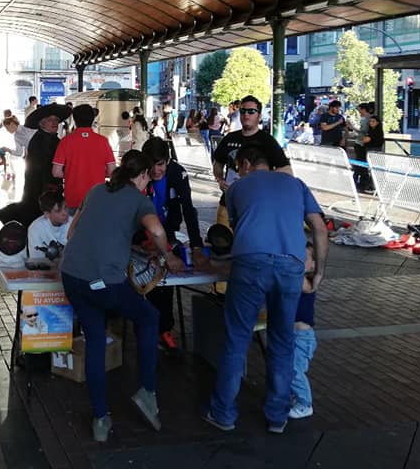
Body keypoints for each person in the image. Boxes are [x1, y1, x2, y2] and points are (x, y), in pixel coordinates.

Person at [59, 150, 186, 442]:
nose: (147, 184)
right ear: (141, 175)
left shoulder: (96, 190)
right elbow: (156, 230)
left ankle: (101, 418)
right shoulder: (139, 199)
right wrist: (168, 256)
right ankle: (147, 392)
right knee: (149, 317)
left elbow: (71, 233)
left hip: (72, 276)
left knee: (95, 341)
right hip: (103, 282)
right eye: (147, 179)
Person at [205, 145, 328, 435]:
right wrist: (319, 272)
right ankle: (277, 416)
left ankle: (223, 413)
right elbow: (320, 228)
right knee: (282, 341)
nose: (238, 173)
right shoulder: (297, 185)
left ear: (246, 164)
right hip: (291, 266)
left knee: (237, 339)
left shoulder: (236, 189)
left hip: (251, 266)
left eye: (238, 167)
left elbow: (240, 232)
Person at [140, 136, 202, 354]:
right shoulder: (139, 173)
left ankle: (164, 329)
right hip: (142, 233)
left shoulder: (178, 173)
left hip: (167, 232)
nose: (156, 171)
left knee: (165, 280)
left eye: (160, 164)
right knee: (148, 280)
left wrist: (196, 246)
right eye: (152, 165)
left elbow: (189, 209)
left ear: (167, 161)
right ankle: (149, 326)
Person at [212, 95, 292, 227]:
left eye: (251, 111)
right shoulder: (230, 138)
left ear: (259, 116)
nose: (246, 115)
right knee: (222, 237)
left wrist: (268, 185)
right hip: (229, 202)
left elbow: (286, 170)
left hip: (256, 205)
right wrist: (220, 180)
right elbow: (218, 162)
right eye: (243, 111)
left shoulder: (267, 141)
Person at [52, 104, 116, 212]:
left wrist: (72, 173)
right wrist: (98, 172)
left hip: (72, 198)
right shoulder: (103, 141)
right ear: (93, 119)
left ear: (75, 119)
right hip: (97, 198)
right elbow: (112, 172)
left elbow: (56, 172)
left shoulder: (65, 141)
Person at [289, 241, 319, 420]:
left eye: (303, 258)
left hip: (302, 337)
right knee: (292, 369)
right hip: (293, 334)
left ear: (314, 264)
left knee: (295, 371)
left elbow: (301, 283)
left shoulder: (308, 283)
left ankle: (305, 403)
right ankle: (295, 397)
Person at [27, 190, 71, 260]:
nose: (65, 213)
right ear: (47, 214)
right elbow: (37, 260)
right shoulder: (35, 229)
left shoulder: (74, 223)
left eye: (65, 207)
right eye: (58, 211)